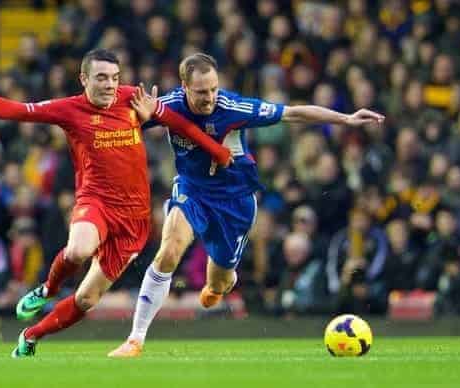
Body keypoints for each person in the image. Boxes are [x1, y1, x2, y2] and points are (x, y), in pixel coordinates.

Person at [0, 48, 232, 358]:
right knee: (79, 249)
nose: (110, 84)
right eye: (101, 78)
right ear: (84, 78)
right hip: (95, 201)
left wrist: (217, 152)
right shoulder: (69, 110)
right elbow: (12, 109)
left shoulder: (133, 99)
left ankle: (31, 335)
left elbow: (182, 124)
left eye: (114, 77)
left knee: (87, 299)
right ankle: (48, 290)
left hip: (133, 219)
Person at [109, 52, 384, 357]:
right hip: (193, 191)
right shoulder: (168, 106)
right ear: (184, 86)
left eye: (214, 88)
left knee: (220, 282)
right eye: (201, 91)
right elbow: (117, 120)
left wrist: (345, 119)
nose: (210, 97)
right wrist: (133, 119)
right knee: (170, 249)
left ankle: (220, 284)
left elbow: (293, 113)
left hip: (235, 203)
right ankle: (136, 339)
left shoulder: (233, 107)